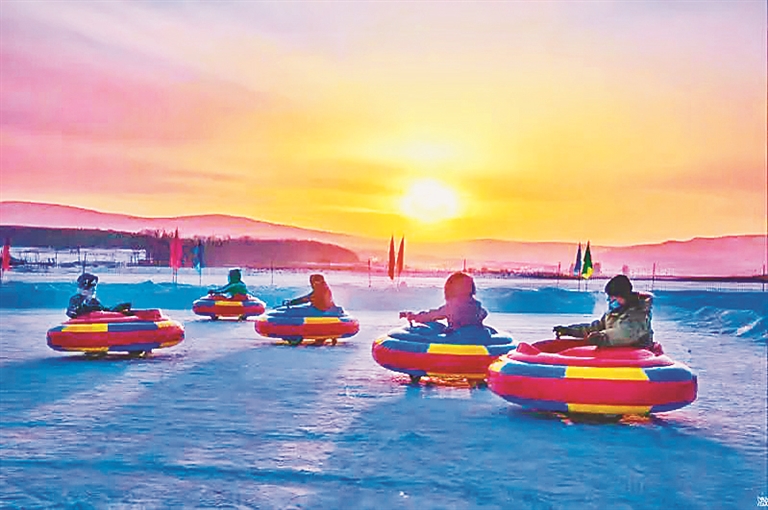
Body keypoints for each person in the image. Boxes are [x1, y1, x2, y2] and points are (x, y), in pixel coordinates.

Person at [553, 274, 654, 348]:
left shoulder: (637, 315)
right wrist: (570, 330)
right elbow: (595, 328)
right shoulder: (612, 313)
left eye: (613, 297)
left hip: (636, 354)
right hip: (616, 352)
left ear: (624, 296)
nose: (610, 300)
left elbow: (625, 334)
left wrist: (603, 337)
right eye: (609, 297)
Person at [400, 271, 488, 332]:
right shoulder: (477, 306)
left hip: (457, 338)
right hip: (476, 337)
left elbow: (433, 315)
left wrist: (415, 317)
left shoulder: (453, 307)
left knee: (433, 326)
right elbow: (484, 313)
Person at [66, 273, 131, 319]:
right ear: (84, 289)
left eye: (94, 288)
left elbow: (105, 311)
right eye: (91, 288)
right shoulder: (76, 299)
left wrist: (120, 308)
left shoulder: (94, 301)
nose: (94, 290)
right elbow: (72, 311)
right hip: (82, 325)